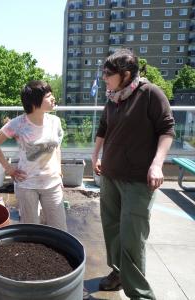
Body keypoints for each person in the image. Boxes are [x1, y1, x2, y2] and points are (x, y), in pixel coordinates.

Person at [91, 49, 175, 299]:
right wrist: (95, 156)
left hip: (138, 180)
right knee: (112, 230)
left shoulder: (150, 93)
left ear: (126, 75)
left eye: (108, 73)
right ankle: (118, 273)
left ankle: (140, 294)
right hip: (110, 175)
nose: (104, 77)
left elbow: (167, 129)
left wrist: (157, 164)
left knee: (131, 238)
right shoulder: (113, 97)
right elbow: (103, 128)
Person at [0, 80, 67, 231]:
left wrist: (58, 169)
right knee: (31, 229)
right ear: (34, 101)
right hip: (27, 184)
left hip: (52, 183)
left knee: (60, 228)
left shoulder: (55, 122)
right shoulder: (18, 124)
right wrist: (9, 169)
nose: (53, 98)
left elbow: (56, 147)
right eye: (48, 96)